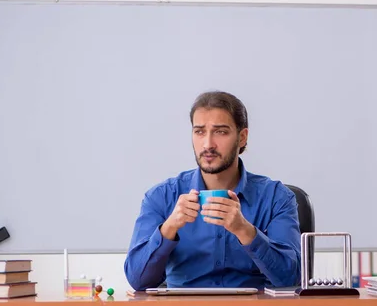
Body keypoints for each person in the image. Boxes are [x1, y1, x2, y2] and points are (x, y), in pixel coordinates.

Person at [124, 91, 301, 291]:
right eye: (199, 131)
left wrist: (245, 230)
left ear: (242, 138)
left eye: (221, 132)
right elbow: (137, 281)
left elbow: (291, 279)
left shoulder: (277, 198)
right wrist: (169, 228)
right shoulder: (161, 197)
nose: (208, 144)